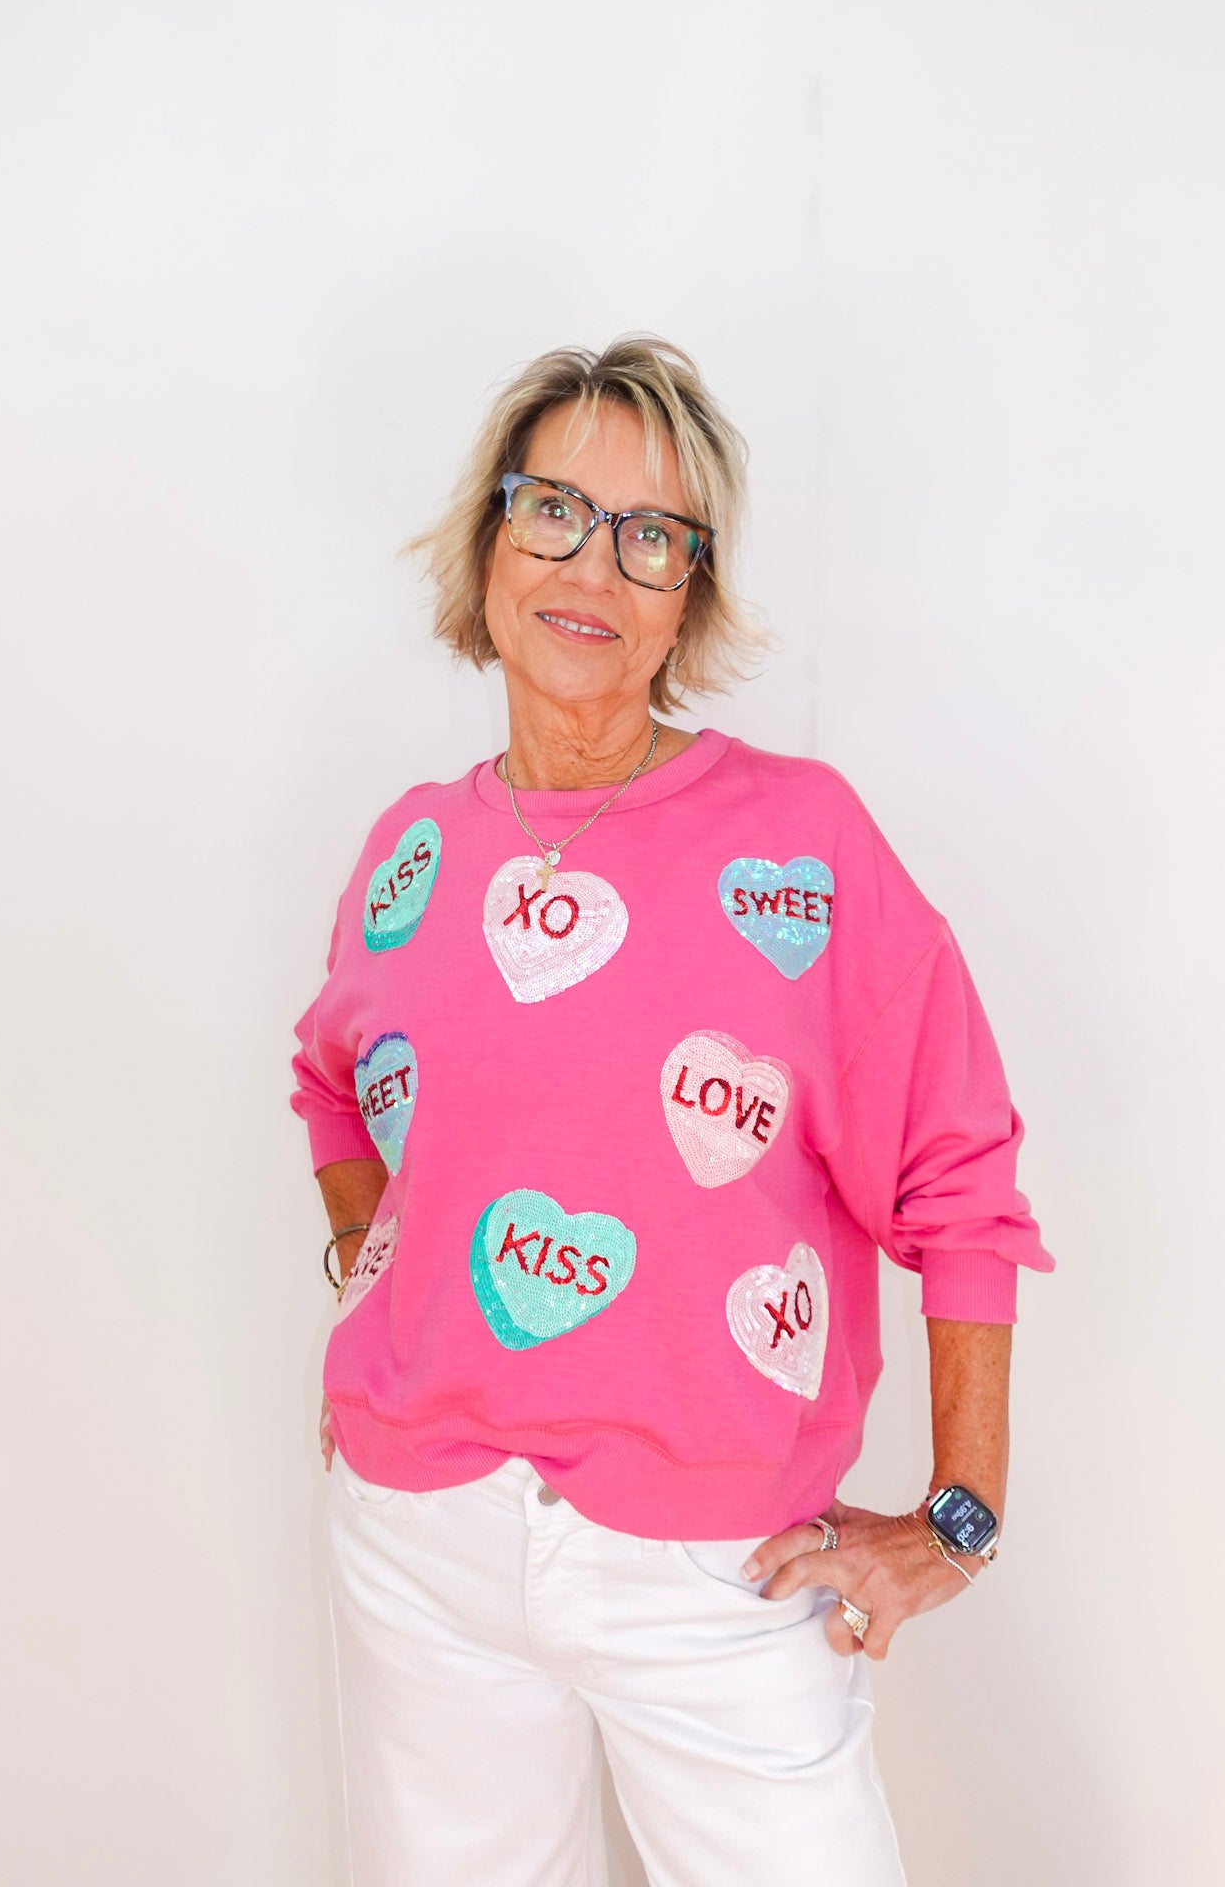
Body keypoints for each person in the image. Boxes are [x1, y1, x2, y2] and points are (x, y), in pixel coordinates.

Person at [288, 333, 1056, 1886]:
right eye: (553, 508)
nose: (596, 564)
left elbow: (959, 1172)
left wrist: (959, 1514)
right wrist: (372, 1274)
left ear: (690, 593)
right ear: (490, 542)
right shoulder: (409, 855)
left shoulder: (801, 845)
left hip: (723, 1566)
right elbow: (330, 1081)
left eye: (653, 535)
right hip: (418, 1538)